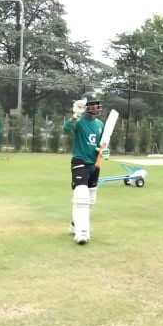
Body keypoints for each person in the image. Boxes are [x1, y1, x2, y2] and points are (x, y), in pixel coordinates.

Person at [63, 92, 104, 245]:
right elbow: (65, 130)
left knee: (91, 199)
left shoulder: (100, 124)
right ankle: (82, 232)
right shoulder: (79, 121)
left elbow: (102, 145)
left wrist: (104, 151)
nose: (95, 107)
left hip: (95, 163)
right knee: (81, 195)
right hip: (80, 160)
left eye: (97, 104)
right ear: (86, 107)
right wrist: (74, 116)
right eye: (92, 104)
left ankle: (75, 224)